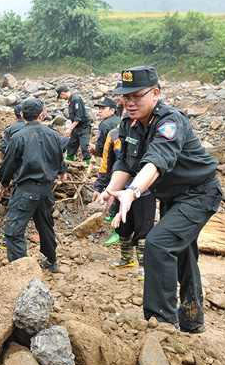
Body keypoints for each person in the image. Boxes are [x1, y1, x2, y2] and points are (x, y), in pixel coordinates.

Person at [97, 66, 222, 333]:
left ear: (155, 93)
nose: (129, 103)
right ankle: (191, 318)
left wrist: (132, 192)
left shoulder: (169, 122)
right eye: (124, 97)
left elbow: (156, 162)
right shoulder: (129, 123)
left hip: (199, 193)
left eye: (136, 96)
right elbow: (125, 162)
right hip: (172, 196)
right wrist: (112, 189)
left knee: (158, 244)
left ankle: (161, 324)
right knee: (183, 251)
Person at [0, 98, 67, 272]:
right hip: (46, 190)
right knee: (45, 225)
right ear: (41, 115)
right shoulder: (52, 135)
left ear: (21, 115)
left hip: (26, 190)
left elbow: (8, 164)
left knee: (13, 231)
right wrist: (62, 173)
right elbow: (59, 158)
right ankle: (51, 260)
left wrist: (2, 184)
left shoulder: (17, 137)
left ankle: (20, 270)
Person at [92, 125, 155, 279]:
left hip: (144, 191)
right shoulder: (114, 135)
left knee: (143, 229)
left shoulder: (149, 132)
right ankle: (126, 258)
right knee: (122, 226)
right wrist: (102, 188)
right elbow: (108, 164)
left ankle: (144, 266)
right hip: (121, 190)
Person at [89, 96, 123, 246]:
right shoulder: (121, 122)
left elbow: (103, 151)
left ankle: (118, 232)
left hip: (115, 166)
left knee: (115, 197)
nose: (99, 112)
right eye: (99, 109)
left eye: (103, 109)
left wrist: (93, 150)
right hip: (127, 167)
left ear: (112, 110)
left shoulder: (105, 125)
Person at [56, 85, 91, 164]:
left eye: (60, 96)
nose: (61, 98)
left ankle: (90, 167)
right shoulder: (70, 101)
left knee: (84, 147)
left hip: (83, 127)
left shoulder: (76, 100)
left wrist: (70, 129)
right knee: (71, 145)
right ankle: (68, 164)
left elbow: (78, 117)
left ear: (62, 93)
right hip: (76, 128)